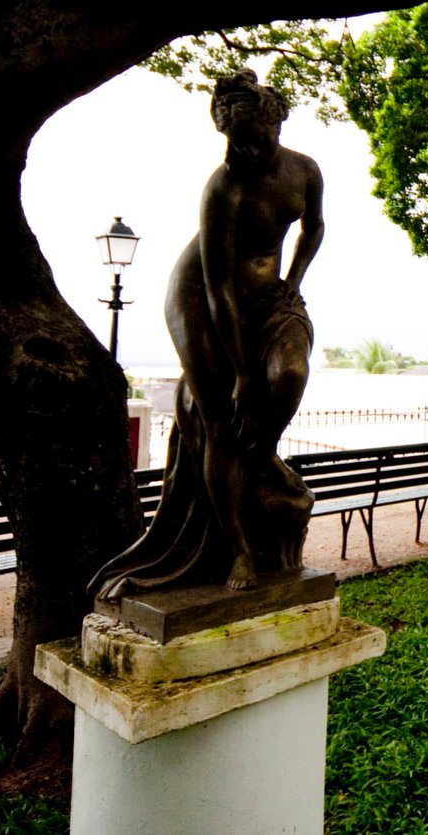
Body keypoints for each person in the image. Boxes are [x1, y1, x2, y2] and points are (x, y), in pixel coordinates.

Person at [93, 69, 325, 598]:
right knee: (218, 417)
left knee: (290, 371)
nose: (242, 149)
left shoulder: (305, 171)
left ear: (275, 122)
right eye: (232, 140)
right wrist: (241, 372)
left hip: (270, 292)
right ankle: (239, 547)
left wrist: (292, 282)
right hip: (201, 296)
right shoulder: (222, 188)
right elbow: (219, 288)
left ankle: (264, 451)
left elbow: (315, 226)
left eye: (253, 138)